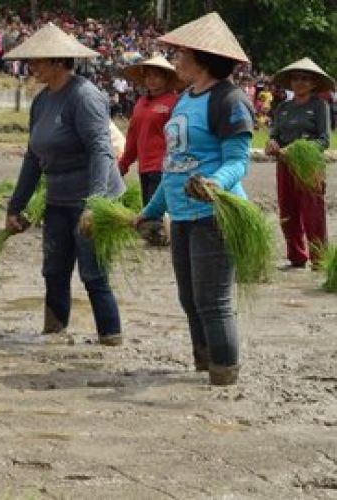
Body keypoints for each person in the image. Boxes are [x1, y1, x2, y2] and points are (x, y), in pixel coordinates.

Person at [137, 12, 255, 386]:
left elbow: (237, 161)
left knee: (212, 300)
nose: (176, 60)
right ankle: (204, 363)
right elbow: (173, 168)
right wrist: (150, 211)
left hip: (214, 213)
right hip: (184, 216)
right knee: (189, 298)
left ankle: (224, 372)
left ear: (201, 57)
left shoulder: (229, 100)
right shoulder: (185, 98)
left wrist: (214, 183)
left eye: (182, 53)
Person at [3, 23, 125, 347]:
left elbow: (102, 151)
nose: (32, 67)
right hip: (58, 198)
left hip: (90, 197)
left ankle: (110, 339)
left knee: (93, 273)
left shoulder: (84, 97)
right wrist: (16, 205)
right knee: (53, 270)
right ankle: (54, 334)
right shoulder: (42, 102)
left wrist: (95, 205)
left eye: (38, 61)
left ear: (59, 61)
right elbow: (33, 157)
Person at [265, 58, 333, 270]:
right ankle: (296, 256)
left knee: (312, 213)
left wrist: (296, 149)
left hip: (309, 165)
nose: (299, 82)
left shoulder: (319, 106)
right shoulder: (283, 107)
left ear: (313, 83)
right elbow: (274, 134)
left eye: (305, 79)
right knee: (287, 210)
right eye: (296, 78)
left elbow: (324, 140)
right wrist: (272, 143)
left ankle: (320, 259)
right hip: (284, 164)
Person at [119, 55, 181, 245]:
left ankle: (168, 239)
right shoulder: (140, 104)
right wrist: (123, 164)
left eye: (156, 76)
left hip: (164, 166)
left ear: (167, 78)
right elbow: (133, 136)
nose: (151, 80)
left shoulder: (175, 102)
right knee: (149, 207)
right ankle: (158, 238)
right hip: (145, 166)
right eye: (148, 76)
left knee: (158, 209)